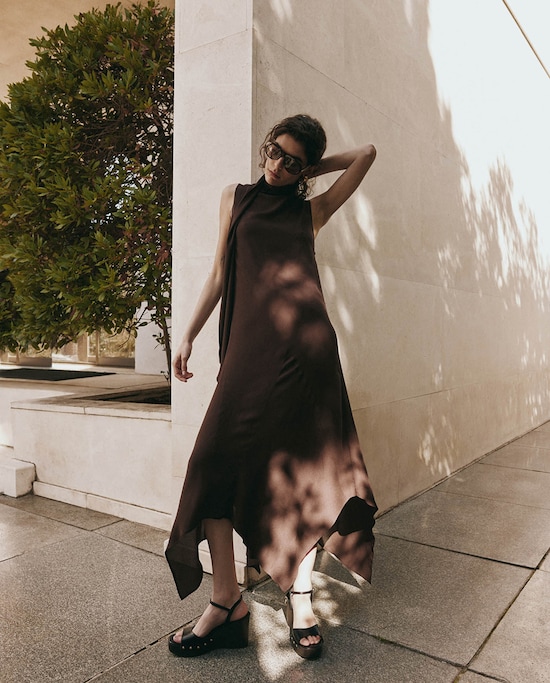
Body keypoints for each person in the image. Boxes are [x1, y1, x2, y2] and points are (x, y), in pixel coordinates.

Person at [166, 114, 378, 660]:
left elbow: (366, 154)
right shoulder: (234, 198)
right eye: (275, 151)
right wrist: (187, 334)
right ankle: (226, 599)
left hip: (306, 358)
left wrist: (312, 169)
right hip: (248, 353)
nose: (278, 165)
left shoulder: (310, 211)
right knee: (211, 465)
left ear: (305, 170)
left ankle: (300, 599)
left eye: (292, 162)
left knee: (299, 477)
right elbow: (220, 272)